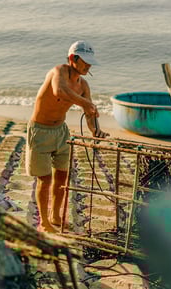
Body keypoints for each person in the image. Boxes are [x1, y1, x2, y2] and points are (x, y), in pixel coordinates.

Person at [25, 40, 109, 233]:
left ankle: (56, 215)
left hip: (61, 131)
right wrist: (85, 103)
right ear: (73, 59)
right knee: (45, 179)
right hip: (40, 130)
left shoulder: (83, 85)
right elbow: (59, 91)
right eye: (84, 61)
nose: (88, 66)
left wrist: (95, 130)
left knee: (62, 176)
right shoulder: (59, 71)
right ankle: (44, 222)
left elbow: (89, 113)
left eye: (90, 62)